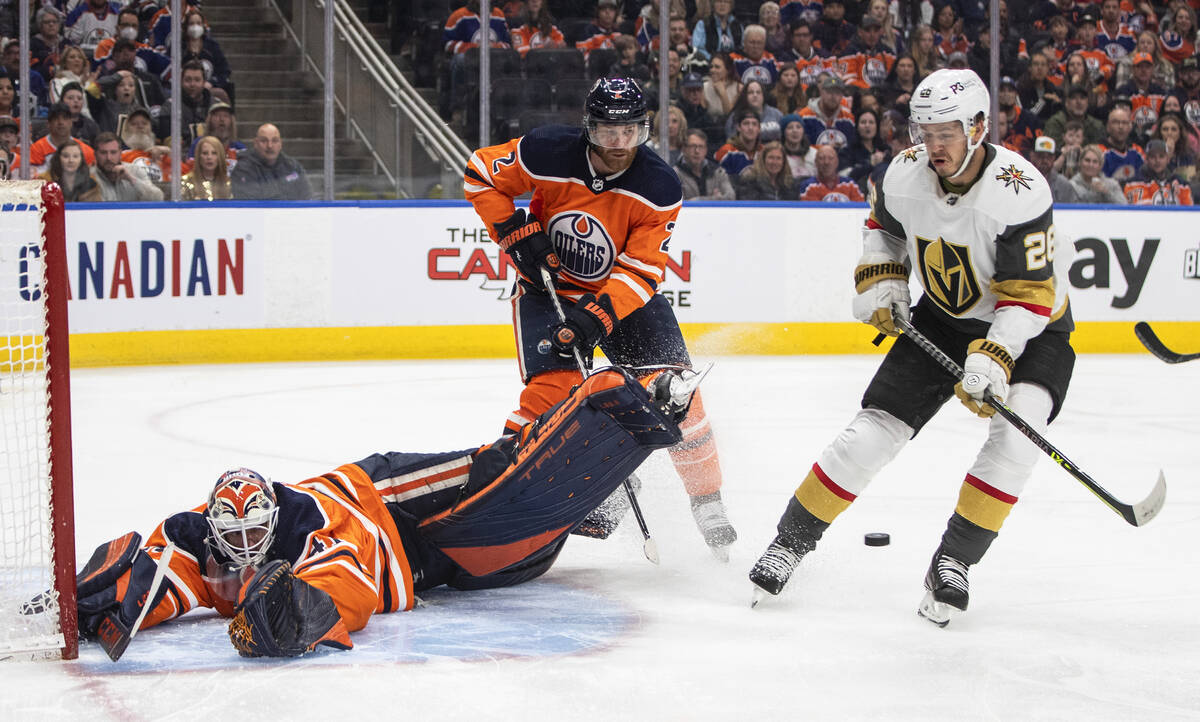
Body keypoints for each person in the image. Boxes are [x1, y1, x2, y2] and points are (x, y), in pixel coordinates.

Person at [68, 366, 702, 658]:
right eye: (234, 534)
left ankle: (622, 402)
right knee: (509, 557)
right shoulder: (201, 539)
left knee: (492, 469)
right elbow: (160, 569)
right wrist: (98, 603)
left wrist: (298, 613)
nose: (246, 545)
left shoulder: (303, 517)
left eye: (257, 530)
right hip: (423, 565)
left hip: (383, 498)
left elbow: (348, 576)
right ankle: (597, 501)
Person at [749, 69, 1076, 628]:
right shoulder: (903, 173)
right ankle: (791, 541)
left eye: (946, 132)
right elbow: (884, 229)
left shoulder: (1020, 189)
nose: (934, 145)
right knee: (869, 434)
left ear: (978, 126)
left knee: (1018, 439)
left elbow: (1028, 297)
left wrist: (994, 357)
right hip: (944, 321)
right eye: (924, 131)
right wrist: (884, 281)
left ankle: (954, 561)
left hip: (1032, 329)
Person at [462, 78, 737, 557]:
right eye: (608, 132)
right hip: (547, 291)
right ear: (588, 129)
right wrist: (514, 231)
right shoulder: (546, 149)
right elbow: (480, 173)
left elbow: (642, 269)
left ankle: (708, 501)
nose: (618, 144)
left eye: (629, 131)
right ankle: (506, 498)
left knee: (678, 396)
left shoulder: (659, 186)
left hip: (624, 300)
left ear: (644, 131)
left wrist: (596, 318)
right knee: (552, 399)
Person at [230, 123, 312, 200]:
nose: (270, 146)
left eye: (275, 141)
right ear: (255, 143)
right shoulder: (243, 169)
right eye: (264, 141)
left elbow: (307, 197)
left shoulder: (292, 166)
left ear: (280, 144)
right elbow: (251, 205)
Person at [157, 60, 214, 149]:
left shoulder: (215, 106)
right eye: (188, 80)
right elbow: (168, 141)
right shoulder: (170, 106)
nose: (192, 84)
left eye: (197, 80)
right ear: (181, 82)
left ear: (204, 82)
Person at [91, 131, 163, 201]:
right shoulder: (89, 176)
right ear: (95, 154)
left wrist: (132, 179)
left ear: (120, 154)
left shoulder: (135, 170)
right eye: (103, 153)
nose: (109, 158)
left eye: (113, 152)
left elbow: (158, 198)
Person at [29, 103, 96, 175]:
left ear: (71, 122)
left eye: (65, 118)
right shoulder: (35, 150)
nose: (61, 122)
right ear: (48, 124)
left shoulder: (86, 151)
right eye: (56, 118)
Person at [1121, 138, 1193, 204]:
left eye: (1161, 156)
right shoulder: (1133, 184)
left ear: (1168, 159)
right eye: (1152, 157)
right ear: (1146, 159)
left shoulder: (1181, 183)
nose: (1157, 161)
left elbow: (1189, 211)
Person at [799, 73, 857, 150]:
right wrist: (824, 148)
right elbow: (800, 147)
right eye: (829, 92)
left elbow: (853, 147)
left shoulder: (848, 118)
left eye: (837, 93)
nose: (833, 96)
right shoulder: (804, 116)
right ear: (821, 92)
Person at [674, 128, 736, 199]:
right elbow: (677, 203)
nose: (697, 151)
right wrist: (716, 198)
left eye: (701, 147)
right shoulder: (675, 175)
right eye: (693, 146)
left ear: (706, 150)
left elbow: (730, 197)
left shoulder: (718, 172)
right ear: (684, 149)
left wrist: (698, 200)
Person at [121, 106, 172, 184]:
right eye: (134, 124)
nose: (140, 126)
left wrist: (169, 152)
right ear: (126, 130)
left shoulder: (163, 156)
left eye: (144, 123)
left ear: (151, 128)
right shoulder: (121, 156)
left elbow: (180, 176)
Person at [796, 143, 865, 201]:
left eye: (831, 158)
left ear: (837, 162)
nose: (826, 162)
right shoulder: (808, 186)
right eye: (821, 158)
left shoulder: (851, 185)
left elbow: (860, 211)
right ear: (815, 162)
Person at [181, 135, 233, 200]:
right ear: (198, 157)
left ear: (220, 157)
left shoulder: (229, 183)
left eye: (214, 153)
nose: (209, 157)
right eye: (205, 153)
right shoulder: (185, 182)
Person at [1029, 135, 1078, 203]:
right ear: (1032, 156)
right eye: (1040, 156)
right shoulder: (1023, 181)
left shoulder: (1064, 185)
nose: (1045, 160)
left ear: (1054, 158)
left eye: (1049, 157)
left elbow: (1073, 211)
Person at [715, 108, 762, 176]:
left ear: (759, 129)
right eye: (746, 123)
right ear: (738, 127)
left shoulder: (763, 152)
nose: (750, 128)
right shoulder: (726, 151)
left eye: (754, 124)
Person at [702, 52, 739, 123]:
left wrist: (723, 94)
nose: (712, 70)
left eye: (717, 67)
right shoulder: (704, 87)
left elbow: (729, 117)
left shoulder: (738, 88)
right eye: (711, 67)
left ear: (728, 70)